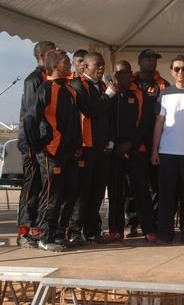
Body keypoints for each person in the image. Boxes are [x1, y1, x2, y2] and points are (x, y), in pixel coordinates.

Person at [23, 50, 82, 252]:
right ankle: (43, 235)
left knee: (70, 193)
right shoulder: (47, 88)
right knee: (52, 195)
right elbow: (30, 118)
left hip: (69, 153)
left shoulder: (70, 90)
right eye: (66, 62)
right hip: (51, 152)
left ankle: (59, 234)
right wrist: (39, 144)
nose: (70, 66)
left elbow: (75, 122)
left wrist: (77, 146)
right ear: (56, 66)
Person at [151, 55, 184, 244]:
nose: (180, 72)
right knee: (166, 195)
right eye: (176, 69)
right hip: (167, 152)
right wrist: (154, 150)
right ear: (172, 72)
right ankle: (165, 233)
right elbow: (159, 123)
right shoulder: (165, 94)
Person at [104, 60, 157, 243]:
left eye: (125, 72)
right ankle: (115, 230)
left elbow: (145, 124)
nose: (121, 76)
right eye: (118, 73)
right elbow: (103, 120)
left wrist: (130, 144)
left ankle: (149, 229)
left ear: (131, 73)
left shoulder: (140, 95)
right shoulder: (109, 95)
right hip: (114, 152)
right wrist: (113, 144)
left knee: (141, 191)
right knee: (116, 193)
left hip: (136, 150)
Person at [67, 52, 116, 244]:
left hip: (102, 148)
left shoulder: (103, 86)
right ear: (85, 67)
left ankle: (92, 229)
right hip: (85, 147)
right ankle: (74, 231)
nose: (101, 69)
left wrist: (111, 139)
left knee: (97, 190)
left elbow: (109, 115)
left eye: (103, 66)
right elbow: (90, 109)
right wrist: (108, 94)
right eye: (97, 66)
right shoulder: (78, 85)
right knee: (82, 191)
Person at [16, 40, 55, 248]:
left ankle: (37, 229)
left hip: (44, 143)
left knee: (42, 187)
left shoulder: (50, 79)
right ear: (42, 55)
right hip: (32, 142)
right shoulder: (34, 79)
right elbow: (32, 115)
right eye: (53, 52)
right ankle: (24, 230)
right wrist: (35, 142)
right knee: (31, 186)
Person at [130, 49, 170, 235]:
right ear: (139, 61)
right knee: (135, 186)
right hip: (133, 143)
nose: (152, 62)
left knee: (157, 186)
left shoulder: (163, 85)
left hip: (156, 143)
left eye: (154, 59)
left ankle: (153, 224)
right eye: (148, 58)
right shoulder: (129, 81)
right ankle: (133, 223)